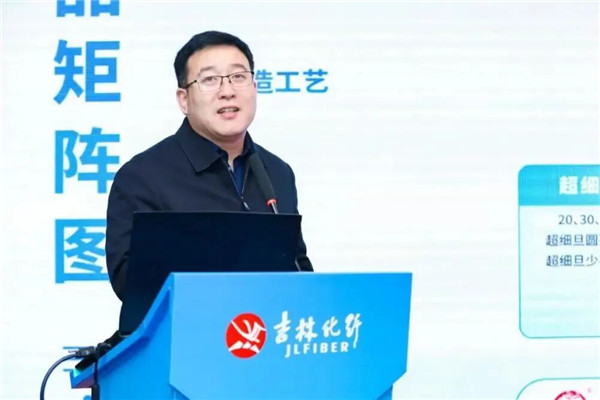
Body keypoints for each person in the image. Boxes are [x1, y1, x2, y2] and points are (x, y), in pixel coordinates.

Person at [105, 31, 313, 302]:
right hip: (188, 325)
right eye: (210, 80)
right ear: (183, 99)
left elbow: (297, 266)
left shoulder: (277, 171)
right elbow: (129, 281)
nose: (227, 92)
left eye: (238, 77)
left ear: (254, 87)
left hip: (266, 324)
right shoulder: (142, 176)